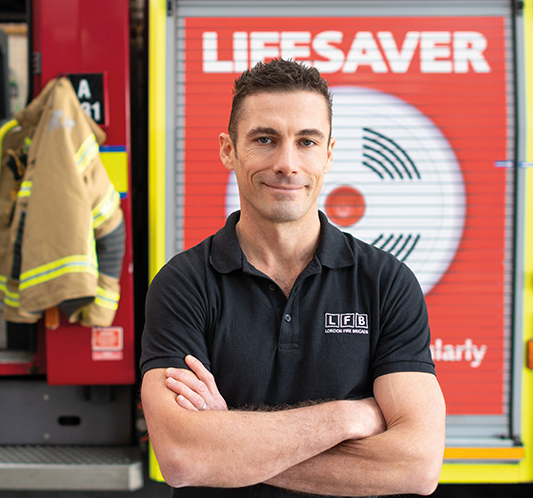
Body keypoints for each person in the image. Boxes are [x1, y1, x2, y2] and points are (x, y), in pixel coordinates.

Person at [140, 58, 446, 497]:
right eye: (265, 139)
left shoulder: (385, 283)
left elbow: (416, 465)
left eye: (306, 141)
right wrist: (345, 417)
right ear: (229, 150)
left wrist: (229, 445)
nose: (287, 163)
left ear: (329, 153)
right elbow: (184, 457)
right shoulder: (184, 284)